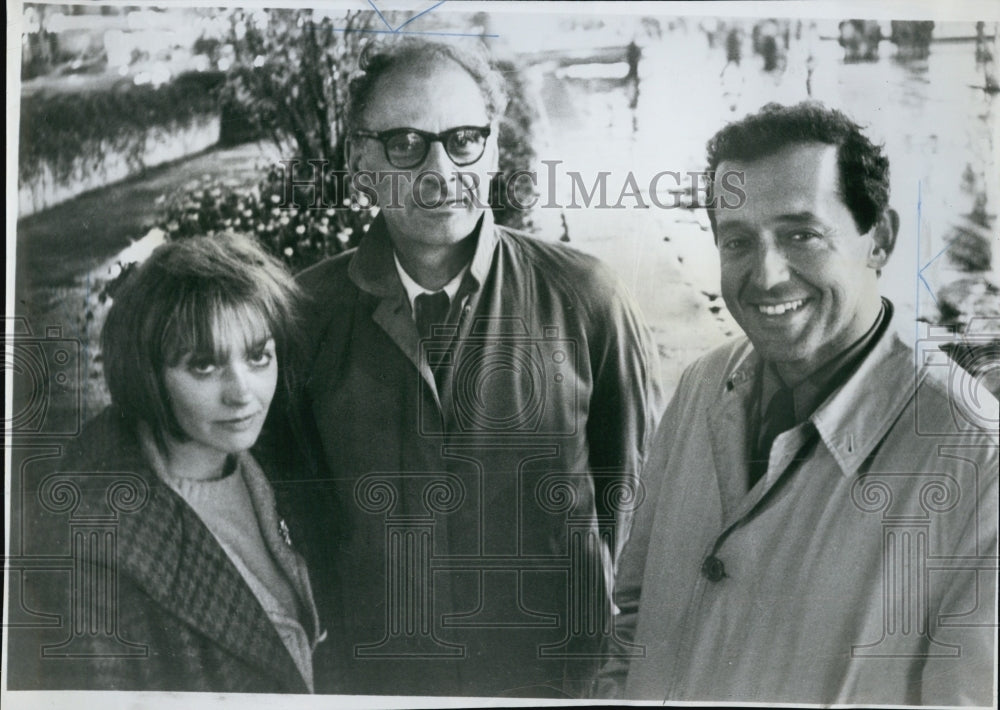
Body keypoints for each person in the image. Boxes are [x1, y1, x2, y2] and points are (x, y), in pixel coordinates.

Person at [278, 38, 662, 697]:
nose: (438, 169)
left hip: (556, 679)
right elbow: (304, 518)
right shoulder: (304, 317)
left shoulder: (587, 298)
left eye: (463, 139)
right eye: (405, 143)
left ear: (491, 151)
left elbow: (629, 503)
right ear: (360, 160)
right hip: (381, 679)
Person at [596, 102, 998, 705]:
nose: (767, 275)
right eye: (737, 241)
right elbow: (632, 621)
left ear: (879, 239)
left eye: (800, 234)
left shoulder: (977, 460)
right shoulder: (702, 385)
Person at [7, 233, 322, 693]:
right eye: (203, 365)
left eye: (258, 356)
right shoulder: (91, 554)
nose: (243, 393)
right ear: (148, 373)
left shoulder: (273, 458)